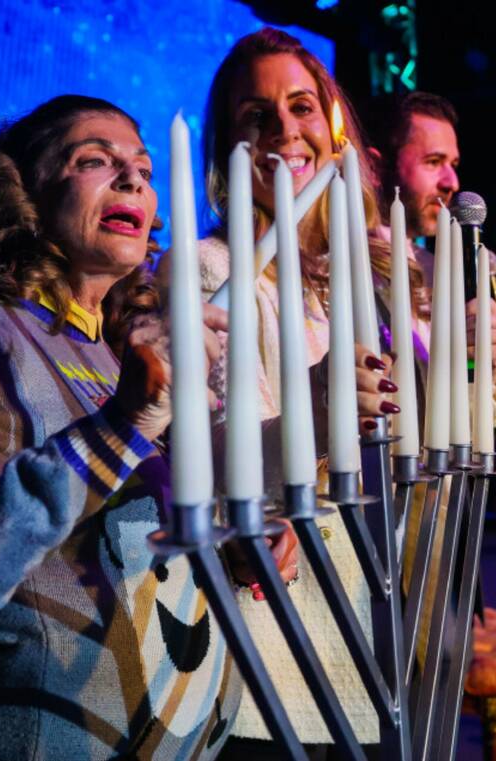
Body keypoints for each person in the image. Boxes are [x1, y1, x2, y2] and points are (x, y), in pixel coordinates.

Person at [0, 95, 239, 760]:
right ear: (24, 194)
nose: (134, 180)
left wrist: (236, 543)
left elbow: (129, 549)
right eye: (95, 160)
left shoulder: (118, 348)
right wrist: (125, 424)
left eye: (144, 170)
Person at [158, 28, 397, 757]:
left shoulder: (369, 272)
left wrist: (490, 364)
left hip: (361, 611)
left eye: (301, 108)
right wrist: (320, 408)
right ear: (225, 147)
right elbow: (215, 450)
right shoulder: (206, 272)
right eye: (256, 117)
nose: (285, 133)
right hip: (262, 624)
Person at [363, 91, 496, 415]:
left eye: (453, 165)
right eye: (433, 162)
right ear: (374, 166)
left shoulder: (440, 270)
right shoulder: (333, 262)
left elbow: (474, 421)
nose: (452, 182)